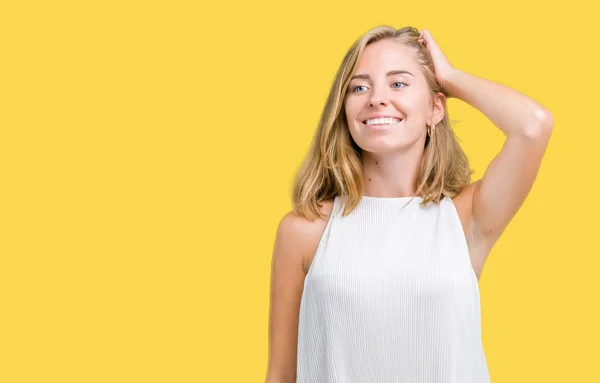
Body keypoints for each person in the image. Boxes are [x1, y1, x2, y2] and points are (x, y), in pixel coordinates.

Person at [265, 25, 553, 383]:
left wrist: (450, 77)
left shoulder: (466, 216)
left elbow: (533, 126)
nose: (376, 98)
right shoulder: (305, 230)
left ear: (435, 108)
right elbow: (280, 374)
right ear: (344, 109)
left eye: (398, 83)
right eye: (359, 86)